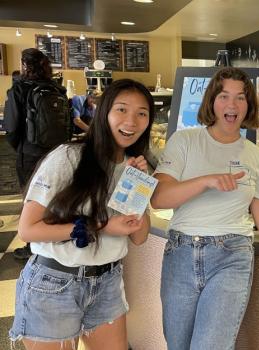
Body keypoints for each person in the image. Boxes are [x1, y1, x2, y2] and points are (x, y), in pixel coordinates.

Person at [151, 67, 259, 350]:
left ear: (248, 106)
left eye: (240, 98)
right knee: (178, 345)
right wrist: (206, 181)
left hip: (232, 256)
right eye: (224, 96)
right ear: (212, 101)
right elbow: (158, 198)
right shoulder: (185, 141)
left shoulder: (257, 157)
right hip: (181, 252)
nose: (232, 104)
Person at [9, 79, 154, 350]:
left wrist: (138, 187)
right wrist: (99, 227)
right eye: (121, 110)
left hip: (107, 283)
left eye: (141, 113)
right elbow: (27, 230)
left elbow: (139, 237)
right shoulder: (68, 157)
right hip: (54, 283)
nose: (131, 121)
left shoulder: (134, 167)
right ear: (104, 112)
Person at [4, 48, 67, 260]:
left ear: (24, 65)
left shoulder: (19, 88)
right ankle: (54, 238)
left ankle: (33, 246)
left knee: (31, 198)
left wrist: (20, 146)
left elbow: (11, 126)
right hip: (56, 153)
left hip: (30, 153)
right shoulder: (58, 89)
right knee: (56, 196)